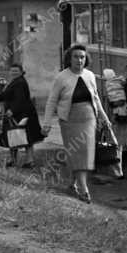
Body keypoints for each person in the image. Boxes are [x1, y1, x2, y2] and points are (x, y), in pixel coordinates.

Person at [44, 44, 111, 203]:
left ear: (86, 59)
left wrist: (104, 117)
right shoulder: (62, 77)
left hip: (89, 118)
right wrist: (46, 123)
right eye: (76, 57)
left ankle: (75, 183)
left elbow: (95, 98)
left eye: (82, 57)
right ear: (69, 58)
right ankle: (83, 188)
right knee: (76, 152)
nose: (79, 60)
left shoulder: (90, 75)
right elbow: (52, 100)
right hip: (69, 119)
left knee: (86, 152)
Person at [0, 63, 45, 168]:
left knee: (23, 137)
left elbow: (20, 99)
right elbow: (7, 95)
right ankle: (21, 160)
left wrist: (12, 111)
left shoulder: (20, 82)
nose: (14, 72)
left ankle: (27, 161)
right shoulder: (16, 81)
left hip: (22, 114)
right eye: (12, 71)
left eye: (16, 71)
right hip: (21, 113)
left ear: (21, 72)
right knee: (18, 137)